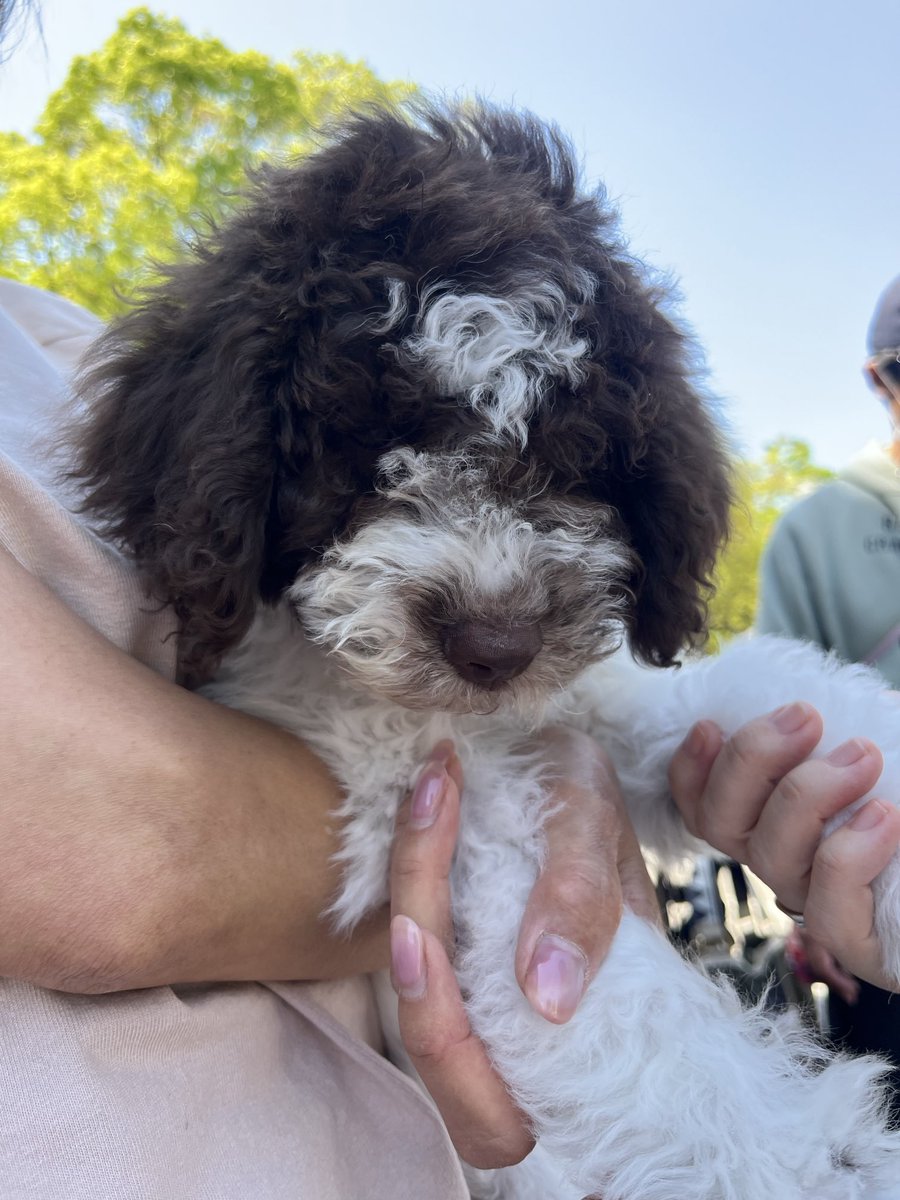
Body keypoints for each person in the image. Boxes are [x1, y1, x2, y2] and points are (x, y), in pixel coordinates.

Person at [2, 7, 899, 1187]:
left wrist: (824, 784)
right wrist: (529, 793)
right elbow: (109, 852)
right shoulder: (174, 419)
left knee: (725, 717)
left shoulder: (53, 351)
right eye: (385, 470)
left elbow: (619, 721)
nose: (495, 601)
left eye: (562, 480)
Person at [757, 274, 900, 1117]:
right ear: (878, 380)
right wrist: (807, 908)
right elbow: (777, 731)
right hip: (877, 907)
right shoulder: (816, 531)